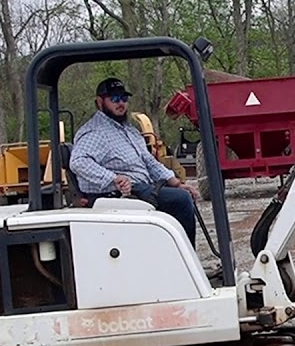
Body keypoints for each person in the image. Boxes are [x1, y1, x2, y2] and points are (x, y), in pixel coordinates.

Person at [69, 76, 201, 245]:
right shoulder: (95, 132)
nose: (121, 103)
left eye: (124, 98)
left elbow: (148, 161)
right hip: (117, 194)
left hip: (141, 189)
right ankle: (185, 262)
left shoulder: (129, 130)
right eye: (114, 98)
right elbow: (79, 162)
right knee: (181, 201)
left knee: (183, 194)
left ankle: (173, 255)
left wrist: (176, 183)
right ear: (100, 102)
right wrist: (113, 178)